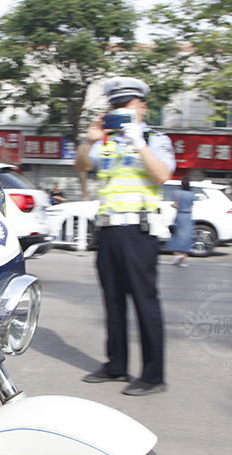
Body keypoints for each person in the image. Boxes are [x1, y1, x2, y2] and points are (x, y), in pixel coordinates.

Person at [74, 77, 175, 396]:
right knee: (112, 301)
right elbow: (81, 166)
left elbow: (162, 175)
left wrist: (139, 143)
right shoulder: (105, 142)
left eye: (125, 106)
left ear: (142, 108)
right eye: (114, 106)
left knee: (145, 302)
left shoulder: (155, 139)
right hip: (108, 231)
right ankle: (116, 365)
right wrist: (88, 141)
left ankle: (153, 376)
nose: (118, 112)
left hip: (138, 231)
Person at [167, 176, 194, 268]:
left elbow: (175, 204)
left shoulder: (177, 193)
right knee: (186, 239)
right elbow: (191, 208)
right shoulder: (191, 194)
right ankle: (183, 261)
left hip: (180, 216)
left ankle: (178, 254)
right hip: (188, 217)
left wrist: (173, 206)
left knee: (176, 236)